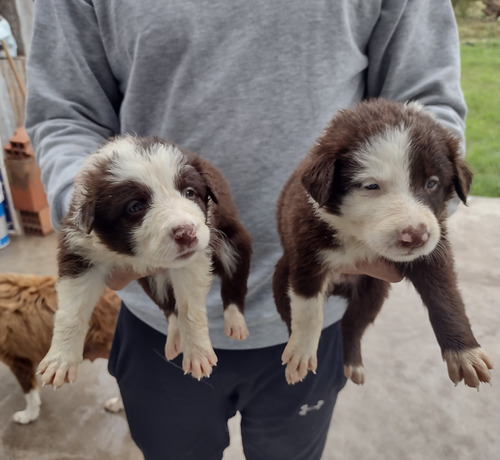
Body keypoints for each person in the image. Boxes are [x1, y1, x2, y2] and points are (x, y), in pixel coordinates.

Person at [25, 1, 466, 459]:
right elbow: (65, 111)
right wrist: (85, 218)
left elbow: (427, 100)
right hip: (154, 319)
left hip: (313, 315)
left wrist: (411, 210)